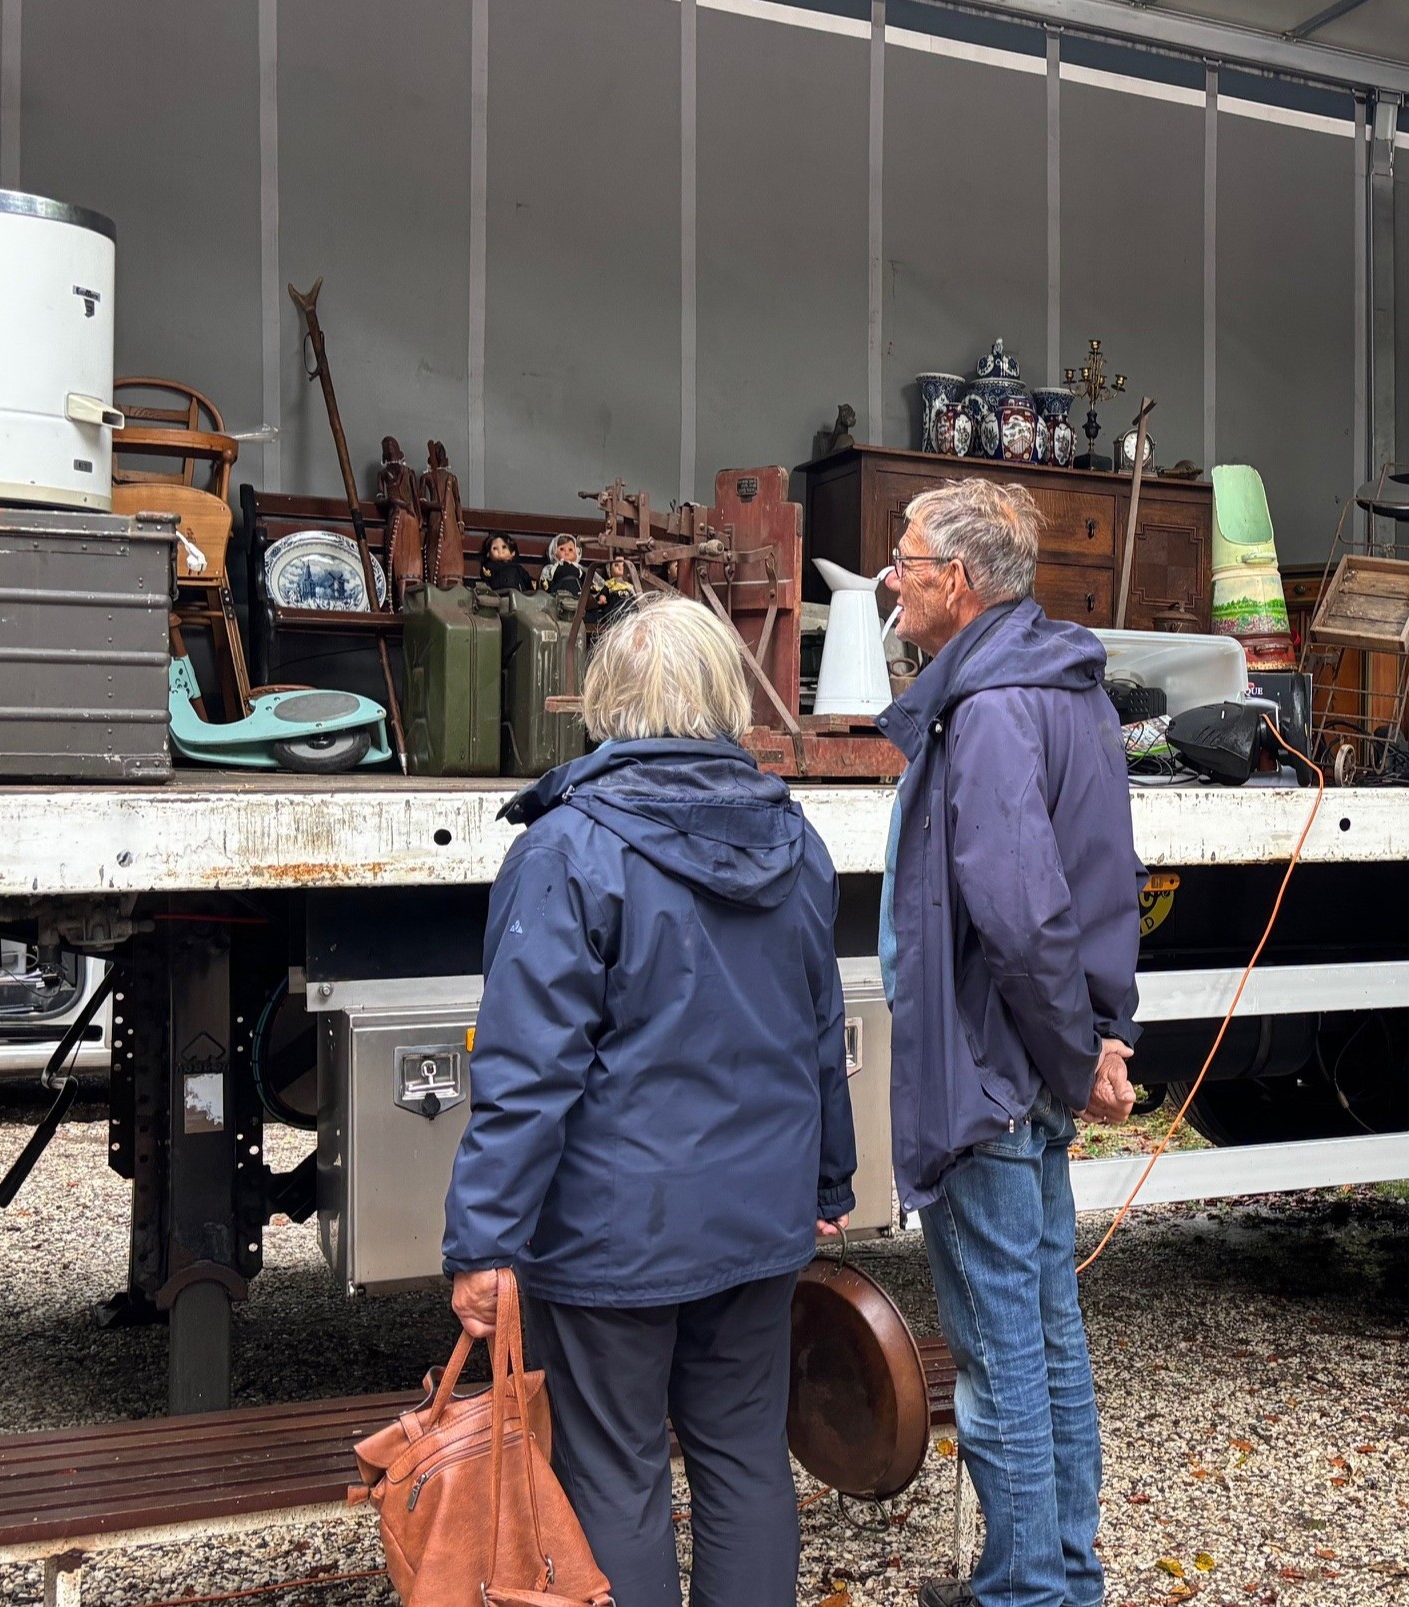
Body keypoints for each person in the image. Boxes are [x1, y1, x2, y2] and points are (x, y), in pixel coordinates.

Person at [440, 595, 855, 1607]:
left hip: (611, 1235)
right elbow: (819, 1029)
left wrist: (484, 1239)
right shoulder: (795, 840)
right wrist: (827, 1179)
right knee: (745, 1456)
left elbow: (526, 1071)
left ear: (605, 700)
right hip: (756, 1219)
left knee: (614, 1472)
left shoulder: (567, 848)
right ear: (725, 696)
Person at [875, 478, 1142, 1607]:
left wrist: (1079, 1054)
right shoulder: (1069, 686)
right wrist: (1097, 1037)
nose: (891, 579)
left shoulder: (987, 709)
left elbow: (1022, 915)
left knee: (999, 1357)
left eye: (905, 560)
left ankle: (1028, 1591)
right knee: (1046, 1329)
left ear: (958, 581)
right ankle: (1065, 1576)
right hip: (1029, 1055)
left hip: (988, 1066)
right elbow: (1104, 878)